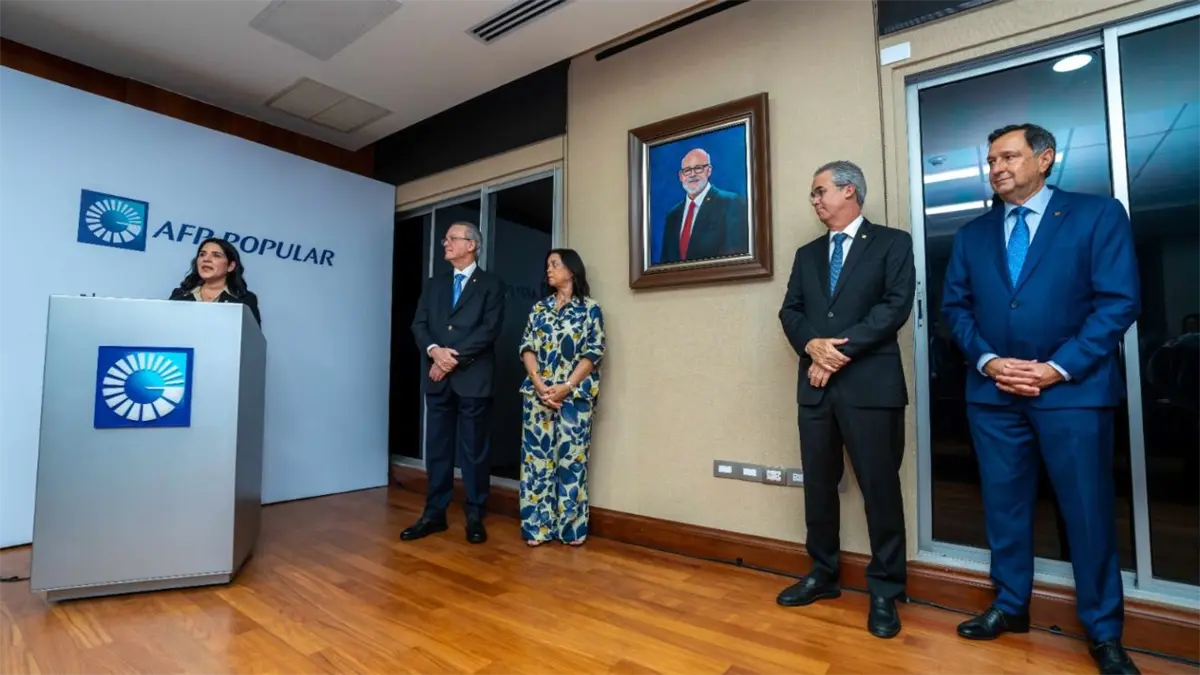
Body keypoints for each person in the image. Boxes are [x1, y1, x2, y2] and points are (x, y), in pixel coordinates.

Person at [941, 123, 1141, 675]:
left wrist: (1057, 368)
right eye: (990, 160)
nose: (997, 167)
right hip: (993, 394)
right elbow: (955, 309)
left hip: (1073, 394)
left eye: (1008, 156)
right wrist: (989, 361)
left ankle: (1103, 632)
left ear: (1046, 158)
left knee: (1087, 513)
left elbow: (1118, 303)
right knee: (1004, 509)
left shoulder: (1097, 215)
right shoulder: (972, 235)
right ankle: (1009, 606)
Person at [777, 160, 915, 639]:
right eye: (813, 194)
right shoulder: (807, 253)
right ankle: (823, 574)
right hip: (815, 392)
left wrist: (834, 353)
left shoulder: (893, 243)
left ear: (849, 191)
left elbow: (894, 307)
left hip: (870, 390)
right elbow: (790, 311)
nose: (814, 200)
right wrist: (811, 345)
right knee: (818, 486)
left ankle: (885, 589)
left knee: (880, 489)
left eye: (820, 191)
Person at [402, 222, 505, 545]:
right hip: (437, 380)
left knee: (474, 451)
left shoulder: (491, 284)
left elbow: (488, 331)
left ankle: (475, 514)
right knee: (438, 450)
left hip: (471, 378)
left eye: (452, 238)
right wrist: (435, 351)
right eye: (444, 238)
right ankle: (434, 514)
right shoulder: (434, 284)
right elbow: (420, 325)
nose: (445, 243)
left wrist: (450, 360)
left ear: (472, 245)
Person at [517, 248, 605, 547]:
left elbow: (593, 352)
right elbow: (527, 347)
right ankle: (537, 528)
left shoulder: (590, 309)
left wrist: (566, 386)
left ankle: (570, 530)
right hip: (538, 396)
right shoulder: (539, 310)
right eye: (547, 266)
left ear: (572, 269)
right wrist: (539, 384)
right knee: (536, 465)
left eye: (555, 264)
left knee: (571, 464)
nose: (549, 270)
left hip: (574, 399)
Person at [658, 148, 749, 263]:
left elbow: (737, 257)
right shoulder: (672, 215)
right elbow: (665, 264)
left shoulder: (731, 202)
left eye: (698, 168)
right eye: (687, 170)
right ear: (681, 176)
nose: (692, 174)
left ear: (709, 170)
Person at [168, 237, 261, 325]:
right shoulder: (179, 295)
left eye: (216, 255)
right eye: (202, 254)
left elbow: (253, 339)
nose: (206, 259)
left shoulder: (246, 300)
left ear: (230, 266)